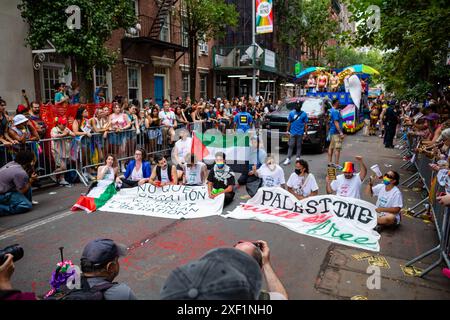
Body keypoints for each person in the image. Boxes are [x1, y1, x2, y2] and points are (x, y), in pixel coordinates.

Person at [0, 151, 38, 215]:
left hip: (5, 190)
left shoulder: (12, 163)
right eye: (33, 160)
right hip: (2, 194)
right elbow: (21, 191)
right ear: (29, 162)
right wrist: (31, 181)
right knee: (26, 205)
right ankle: (3, 208)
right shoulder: (20, 172)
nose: (34, 162)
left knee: (26, 183)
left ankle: (24, 200)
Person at [50, 117, 76, 186]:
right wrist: (64, 134)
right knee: (63, 167)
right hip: (57, 151)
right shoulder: (54, 129)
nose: (65, 126)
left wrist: (68, 133)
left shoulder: (66, 129)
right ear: (58, 124)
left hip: (64, 150)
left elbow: (73, 134)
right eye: (63, 124)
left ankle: (62, 179)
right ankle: (52, 174)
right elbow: (54, 136)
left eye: (65, 124)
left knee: (64, 166)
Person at [283, 100, 308, 166]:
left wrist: (306, 133)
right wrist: (287, 131)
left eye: (298, 105)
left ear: (300, 106)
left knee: (299, 146)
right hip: (292, 132)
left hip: (300, 133)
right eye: (296, 105)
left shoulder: (304, 114)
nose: (297, 106)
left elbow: (305, 124)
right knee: (291, 145)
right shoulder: (291, 113)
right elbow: (289, 122)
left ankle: (298, 158)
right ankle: (288, 159)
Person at [328, 99, 345, 165]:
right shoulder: (335, 111)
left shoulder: (331, 110)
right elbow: (336, 122)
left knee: (331, 147)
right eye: (338, 102)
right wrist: (340, 132)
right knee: (337, 149)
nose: (339, 104)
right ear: (336, 103)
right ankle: (337, 164)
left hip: (332, 131)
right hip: (336, 132)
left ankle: (330, 162)